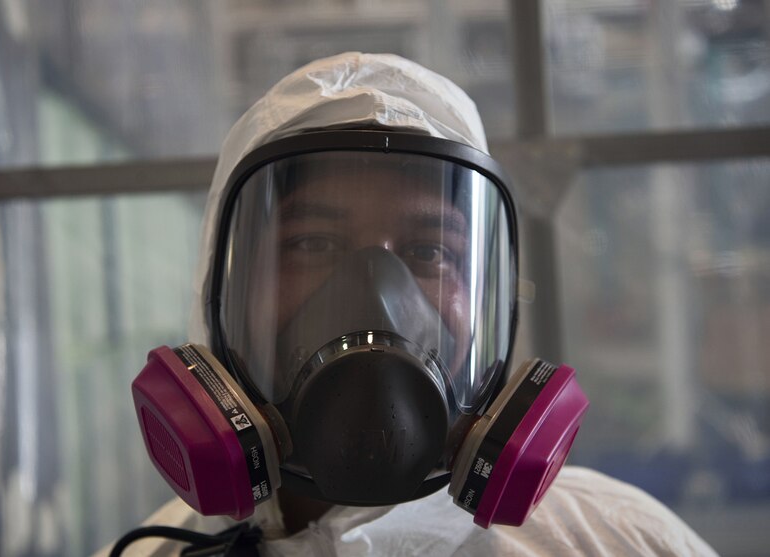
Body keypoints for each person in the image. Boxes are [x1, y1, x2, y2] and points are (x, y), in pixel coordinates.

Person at [100, 52, 719, 556]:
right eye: (312, 243)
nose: (374, 292)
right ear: (223, 290)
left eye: (429, 252)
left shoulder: (615, 541)